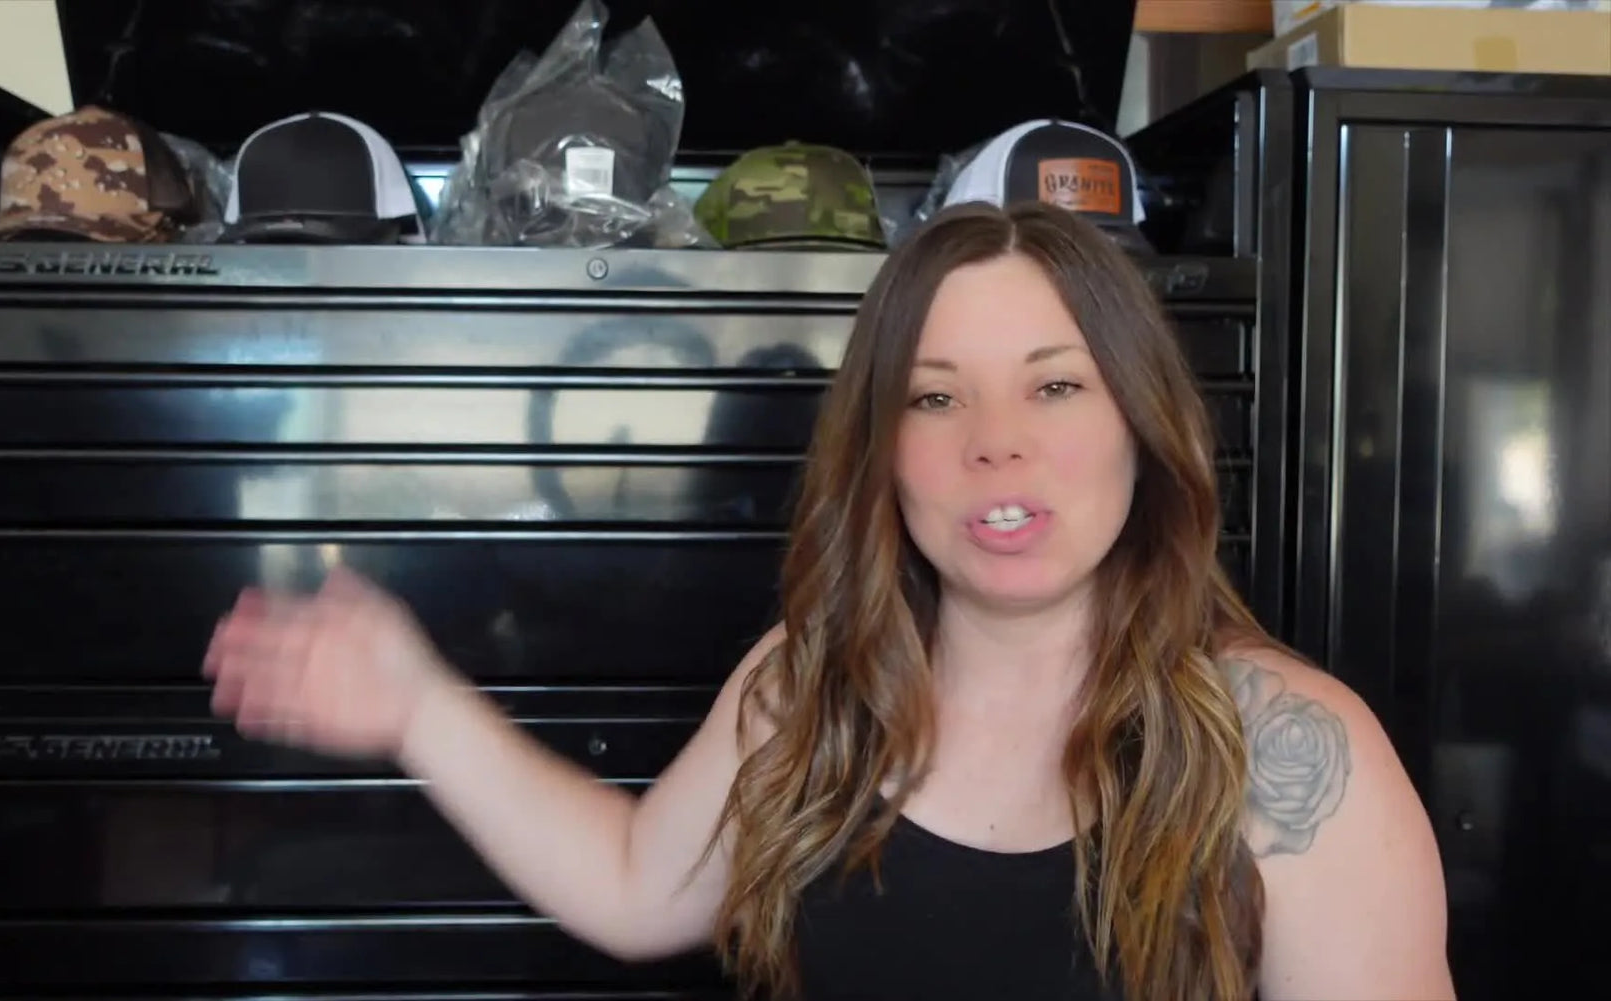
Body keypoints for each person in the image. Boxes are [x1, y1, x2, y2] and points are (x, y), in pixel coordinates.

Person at [203, 200, 1455, 1001]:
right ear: (883, 450)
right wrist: (418, 704)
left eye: (1055, 387)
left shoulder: (1297, 751)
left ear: (1141, 423)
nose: (994, 444)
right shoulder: (813, 682)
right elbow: (641, 886)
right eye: (933, 395)